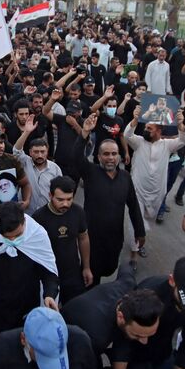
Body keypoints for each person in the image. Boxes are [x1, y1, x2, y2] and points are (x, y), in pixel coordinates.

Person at [0, 201, 59, 356]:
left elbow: (49, 272)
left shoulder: (37, 235)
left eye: (18, 235)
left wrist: (49, 294)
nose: (13, 240)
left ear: (23, 221)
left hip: (24, 308)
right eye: (8, 237)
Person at [75, 113, 145, 283]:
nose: (110, 158)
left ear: (119, 156)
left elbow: (134, 205)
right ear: (99, 157)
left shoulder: (125, 177)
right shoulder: (91, 173)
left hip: (115, 237)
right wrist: (84, 134)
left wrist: (140, 231)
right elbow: (76, 157)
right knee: (91, 277)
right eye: (106, 154)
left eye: (114, 154)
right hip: (92, 238)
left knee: (110, 270)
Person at [126, 103, 185, 233]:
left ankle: (141, 236)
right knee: (136, 218)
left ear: (159, 131)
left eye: (150, 128)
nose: (146, 130)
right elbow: (127, 135)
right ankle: (136, 245)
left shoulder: (167, 145)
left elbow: (184, 140)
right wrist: (135, 119)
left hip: (157, 191)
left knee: (149, 219)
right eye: (145, 127)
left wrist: (180, 124)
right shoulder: (138, 142)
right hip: (138, 189)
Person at [33, 176, 92, 304]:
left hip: (73, 274)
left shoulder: (78, 212)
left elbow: (83, 238)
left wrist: (86, 267)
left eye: (69, 199)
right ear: (50, 195)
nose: (65, 204)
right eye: (60, 199)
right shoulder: (38, 218)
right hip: (48, 276)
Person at [13, 117, 63, 214]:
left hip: (47, 214)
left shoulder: (55, 169)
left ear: (47, 152)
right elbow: (16, 151)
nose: (40, 155)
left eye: (42, 152)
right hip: (27, 213)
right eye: (36, 152)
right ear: (30, 152)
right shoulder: (25, 162)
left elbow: (59, 191)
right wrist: (26, 132)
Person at [0, 127, 32, 210]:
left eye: (1, 142)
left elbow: (25, 184)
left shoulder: (12, 160)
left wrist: (26, 201)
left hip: (11, 212)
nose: (0, 146)